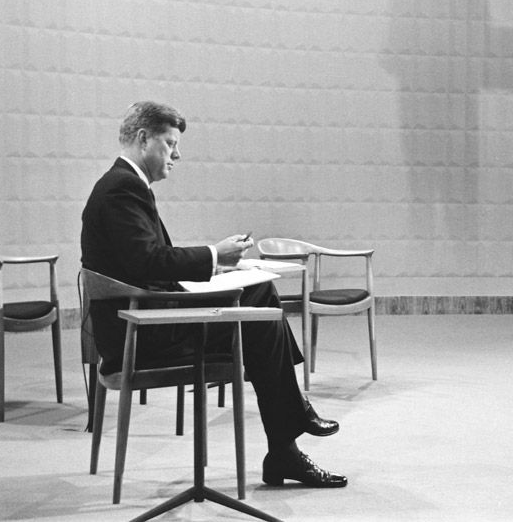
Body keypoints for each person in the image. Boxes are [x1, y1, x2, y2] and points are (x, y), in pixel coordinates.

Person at [81, 100, 347, 487]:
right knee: (260, 314)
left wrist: (217, 269)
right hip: (140, 333)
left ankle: (287, 440)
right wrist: (214, 255)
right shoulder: (122, 188)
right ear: (143, 139)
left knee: (258, 295)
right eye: (170, 143)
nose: (177, 154)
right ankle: (288, 436)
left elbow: (144, 264)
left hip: (143, 320)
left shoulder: (123, 184)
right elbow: (147, 262)